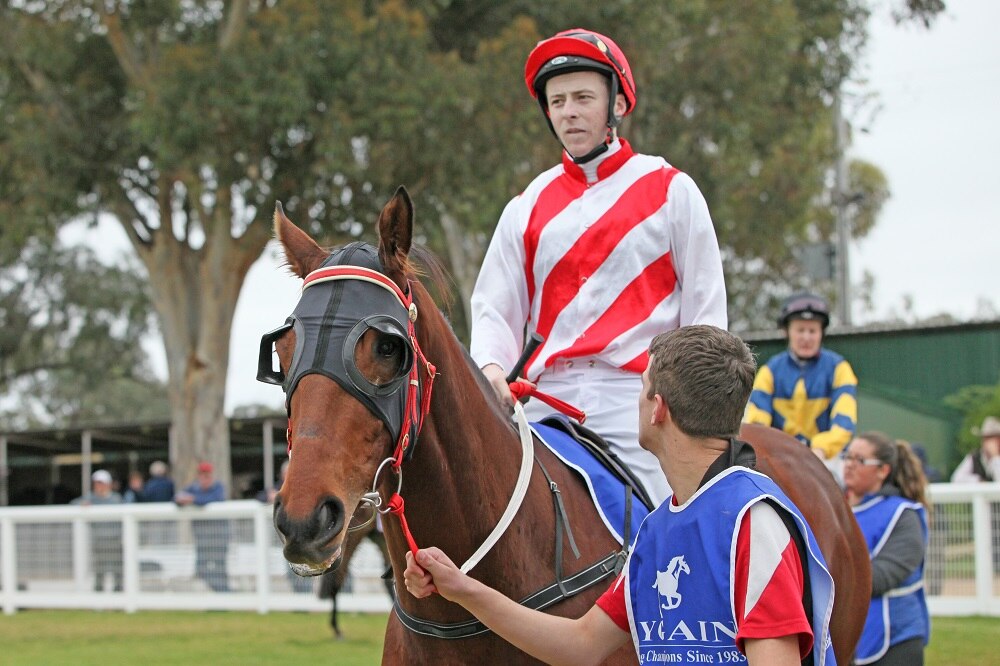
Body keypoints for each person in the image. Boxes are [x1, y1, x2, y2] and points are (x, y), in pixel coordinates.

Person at [405, 325, 834, 665]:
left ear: (658, 408)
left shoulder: (753, 524)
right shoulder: (658, 528)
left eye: (641, 386)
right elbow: (581, 643)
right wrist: (460, 588)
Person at [470, 29, 727, 507]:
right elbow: (494, 310)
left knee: (664, 541)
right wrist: (490, 369)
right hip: (544, 406)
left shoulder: (672, 190)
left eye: (584, 97)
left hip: (643, 403)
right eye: (557, 100)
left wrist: (687, 405)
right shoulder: (524, 208)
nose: (569, 111)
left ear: (618, 105)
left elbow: (705, 312)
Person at [842, 432, 930, 665]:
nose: (849, 465)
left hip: (894, 640)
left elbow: (880, 578)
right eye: (847, 457)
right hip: (845, 637)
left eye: (859, 460)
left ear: (883, 470)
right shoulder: (836, 511)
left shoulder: (903, 515)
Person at [745, 292, 858, 471]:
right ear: (787, 331)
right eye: (800, 330)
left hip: (827, 460)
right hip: (779, 459)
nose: (806, 337)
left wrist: (821, 449)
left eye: (812, 331)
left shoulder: (840, 368)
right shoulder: (770, 370)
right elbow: (757, 422)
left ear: (821, 333)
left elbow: (844, 421)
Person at [175, 462, 230, 592]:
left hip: (219, 537)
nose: (204, 478)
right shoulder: (193, 488)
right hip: (202, 539)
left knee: (220, 568)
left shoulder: (218, 487)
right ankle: (222, 592)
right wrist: (185, 499)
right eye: (202, 475)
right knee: (201, 569)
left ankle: (224, 596)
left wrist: (192, 499)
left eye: (207, 475)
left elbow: (212, 498)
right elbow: (177, 498)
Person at [71, 469, 124, 592]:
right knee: (99, 571)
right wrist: (82, 505)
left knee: (118, 570)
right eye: (96, 483)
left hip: (115, 540)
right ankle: (99, 596)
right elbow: (73, 504)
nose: (98, 486)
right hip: (99, 541)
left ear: (108, 484)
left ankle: (119, 596)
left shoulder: (116, 499)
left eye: (101, 483)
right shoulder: (90, 498)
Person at [950, 416, 1000, 483]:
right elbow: (956, 478)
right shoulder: (975, 457)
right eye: (985, 438)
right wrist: (979, 481)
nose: (987, 443)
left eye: (992, 438)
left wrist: (995, 457)